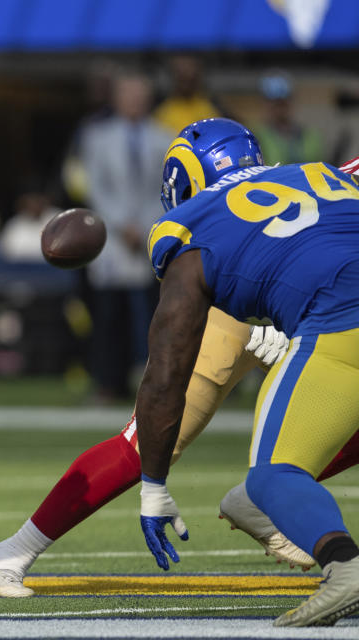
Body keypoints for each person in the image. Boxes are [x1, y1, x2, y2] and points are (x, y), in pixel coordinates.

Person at [0, 151, 359, 599]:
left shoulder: (201, 221)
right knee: (148, 442)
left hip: (309, 309)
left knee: (143, 448)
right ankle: (14, 550)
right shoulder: (307, 177)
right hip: (248, 314)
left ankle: (263, 497)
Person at [136, 118, 359, 627]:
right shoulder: (321, 173)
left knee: (272, 476)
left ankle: (345, 565)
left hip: (343, 318)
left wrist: (153, 484)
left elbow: (167, 371)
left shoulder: (190, 226)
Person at [81, 70, 170, 401]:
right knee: (108, 317)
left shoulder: (165, 138)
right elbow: (95, 189)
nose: (133, 102)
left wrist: (145, 227)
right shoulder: (97, 137)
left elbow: (167, 190)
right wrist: (122, 225)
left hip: (149, 237)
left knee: (151, 318)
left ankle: (154, 385)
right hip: (112, 239)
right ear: (117, 99)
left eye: (139, 95)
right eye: (127, 95)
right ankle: (108, 383)